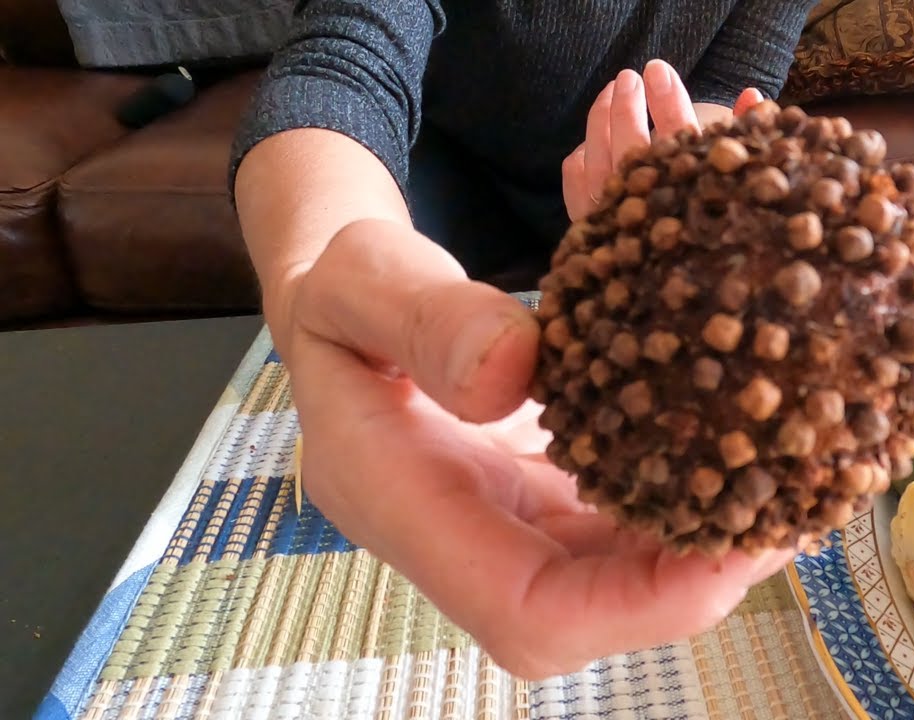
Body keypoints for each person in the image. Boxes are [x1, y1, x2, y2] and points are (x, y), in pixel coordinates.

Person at [229, 0, 817, 679]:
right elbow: (340, 62)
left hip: (632, 214)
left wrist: (680, 174)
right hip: (438, 171)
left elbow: (732, 85)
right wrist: (309, 280)